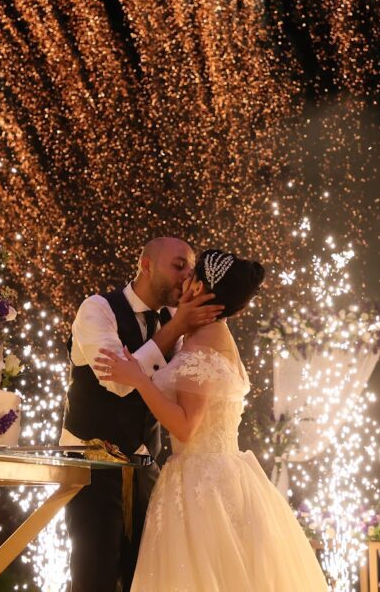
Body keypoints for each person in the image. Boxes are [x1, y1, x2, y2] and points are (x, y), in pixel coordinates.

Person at [95, 250, 329, 591]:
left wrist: (139, 378)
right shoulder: (202, 333)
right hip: (211, 473)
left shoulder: (204, 342)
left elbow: (187, 426)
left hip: (202, 480)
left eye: (191, 273)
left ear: (202, 288)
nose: (184, 277)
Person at [62, 237, 223, 592]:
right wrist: (176, 328)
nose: (185, 278)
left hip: (147, 472)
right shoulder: (97, 309)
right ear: (146, 265)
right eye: (178, 266)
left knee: (144, 579)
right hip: (91, 468)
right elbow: (117, 382)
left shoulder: (173, 323)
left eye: (191, 270)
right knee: (94, 579)